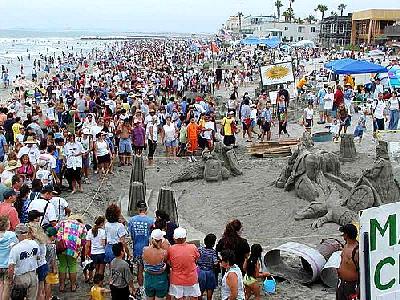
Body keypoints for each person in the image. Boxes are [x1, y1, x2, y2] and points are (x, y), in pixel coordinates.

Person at [128, 201, 154, 298]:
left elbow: (130, 235)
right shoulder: (151, 221)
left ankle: (141, 288)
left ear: (137, 209)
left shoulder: (132, 220)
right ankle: (149, 289)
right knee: (149, 270)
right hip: (148, 249)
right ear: (146, 209)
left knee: (139, 270)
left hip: (137, 249)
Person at [56, 214, 87, 292]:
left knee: (62, 265)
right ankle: (73, 286)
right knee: (72, 265)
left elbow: (55, 230)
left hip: (61, 246)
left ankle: (62, 286)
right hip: (73, 247)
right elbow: (83, 241)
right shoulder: (82, 226)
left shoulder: (62, 222)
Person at [167, 227, 201, 299]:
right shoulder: (193, 247)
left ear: (174, 238)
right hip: (191, 278)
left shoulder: (171, 249)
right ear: (185, 237)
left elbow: (168, 261)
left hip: (176, 279)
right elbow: (197, 259)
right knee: (194, 297)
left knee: (179, 297)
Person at [8, 223, 39, 300]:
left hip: (21, 276)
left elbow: (11, 267)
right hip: (33, 275)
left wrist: (10, 280)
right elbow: (38, 258)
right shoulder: (34, 243)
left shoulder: (15, 248)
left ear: (17, 235)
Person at [142, 229, 169, 300]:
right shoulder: (164, 253)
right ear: (161, 240)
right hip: (160, 280)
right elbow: (166, 262)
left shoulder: (145, 250)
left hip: (148, 279)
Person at [337, 224, 359, 300]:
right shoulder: (346, 245)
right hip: (341, 283)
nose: (342, 235)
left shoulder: (357, 251)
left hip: (351, 286)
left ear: (346, 235)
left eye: (343, 233)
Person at [0, 216, 18, 299]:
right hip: (8, 265)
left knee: (0, 285)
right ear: (7, 225)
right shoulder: (12, 235)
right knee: (7, 285)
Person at [197, 233, 219, 300]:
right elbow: (215, 263)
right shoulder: (213, 252)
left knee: (200, 289)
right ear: (213, 243)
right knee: (210, 288)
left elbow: (196, 258)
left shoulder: (200, 249)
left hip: (200, 271)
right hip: (210, 272)